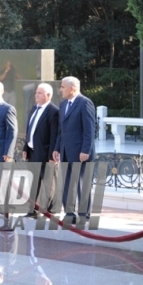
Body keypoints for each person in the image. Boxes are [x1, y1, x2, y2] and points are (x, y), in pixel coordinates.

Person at [52, 76, 96, 223]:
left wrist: (86, 150)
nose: (60, 89)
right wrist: (57, 148)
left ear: (72, 88)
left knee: (81, 184)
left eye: (63, 87)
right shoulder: (64, 104)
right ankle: (69, 214)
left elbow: (89, 129)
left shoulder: (85, 103)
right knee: (67, 184)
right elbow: (61, 129)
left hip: (80, 153)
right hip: (65, 151)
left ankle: (84, 215)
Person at [22, 83, 59, 218]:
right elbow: (29, 129)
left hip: (46, 153)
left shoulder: (53, 111)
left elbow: (55, 134)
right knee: (33, 181)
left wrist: (52, 155)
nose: (36, 95)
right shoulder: (34, 109)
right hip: (33, 151)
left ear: (48, 95)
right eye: (36, 92)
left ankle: (50, 210)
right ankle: (32, 210)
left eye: (40, 93)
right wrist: (26, 147)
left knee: (49, 182)